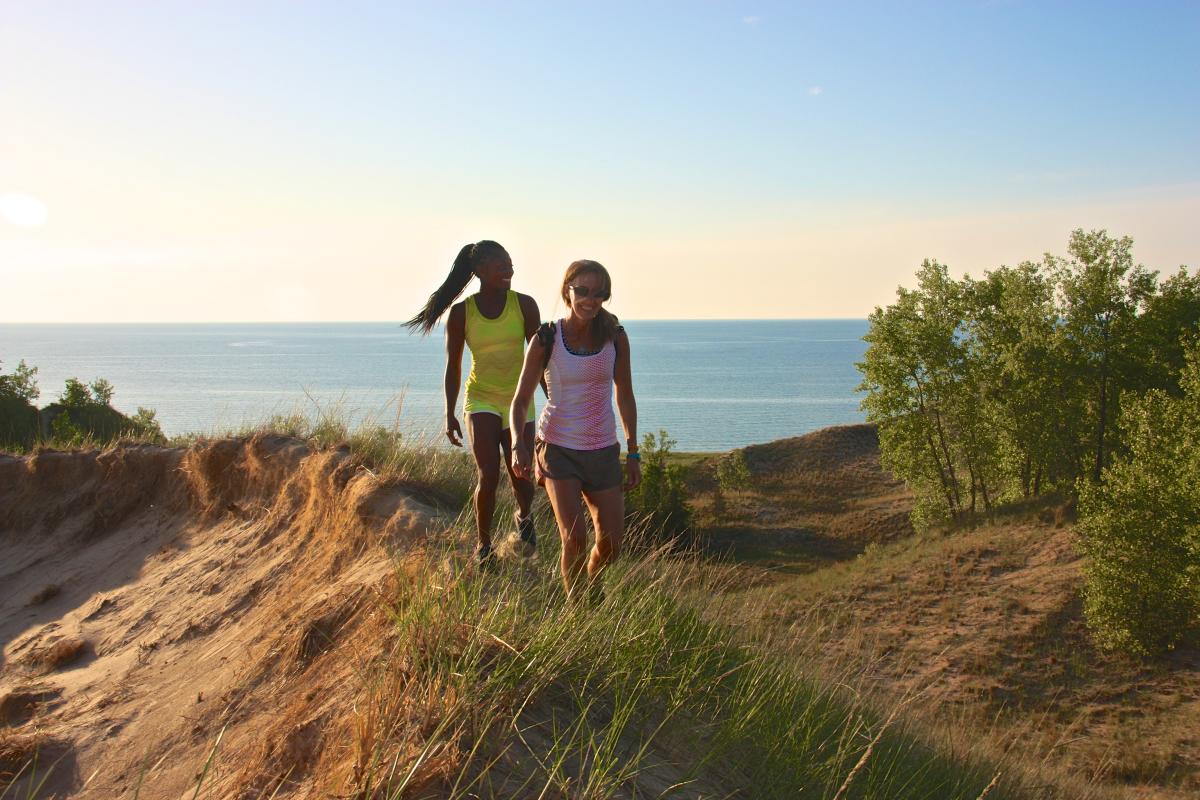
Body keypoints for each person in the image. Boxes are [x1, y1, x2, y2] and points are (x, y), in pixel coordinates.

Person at [404, 240, 540, 568]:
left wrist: (555, 401)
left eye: (510, 264)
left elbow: (539, 360)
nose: (509, 270)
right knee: (488, 474)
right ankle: (484, 545)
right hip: (480, 397)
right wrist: (450, 413)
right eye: (501, 266)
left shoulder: (524, 305)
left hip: (518, 398)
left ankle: (523, 515)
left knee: (520, 473)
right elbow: (454, 366)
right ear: (480, 271)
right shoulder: (463, 313)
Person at [510, 260, 640, 599]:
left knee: (611, 544)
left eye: (599, 294)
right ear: (567, 290)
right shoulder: (546, 338)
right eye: (582, 290)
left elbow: (624, 393)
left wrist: (633, 449)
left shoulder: (616, 337)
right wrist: (518, 445)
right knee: (575, 537)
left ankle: (591, 582)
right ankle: (577, 609)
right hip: (558, 448)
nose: (590, 300)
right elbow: (521, 398)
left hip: (603, 449)